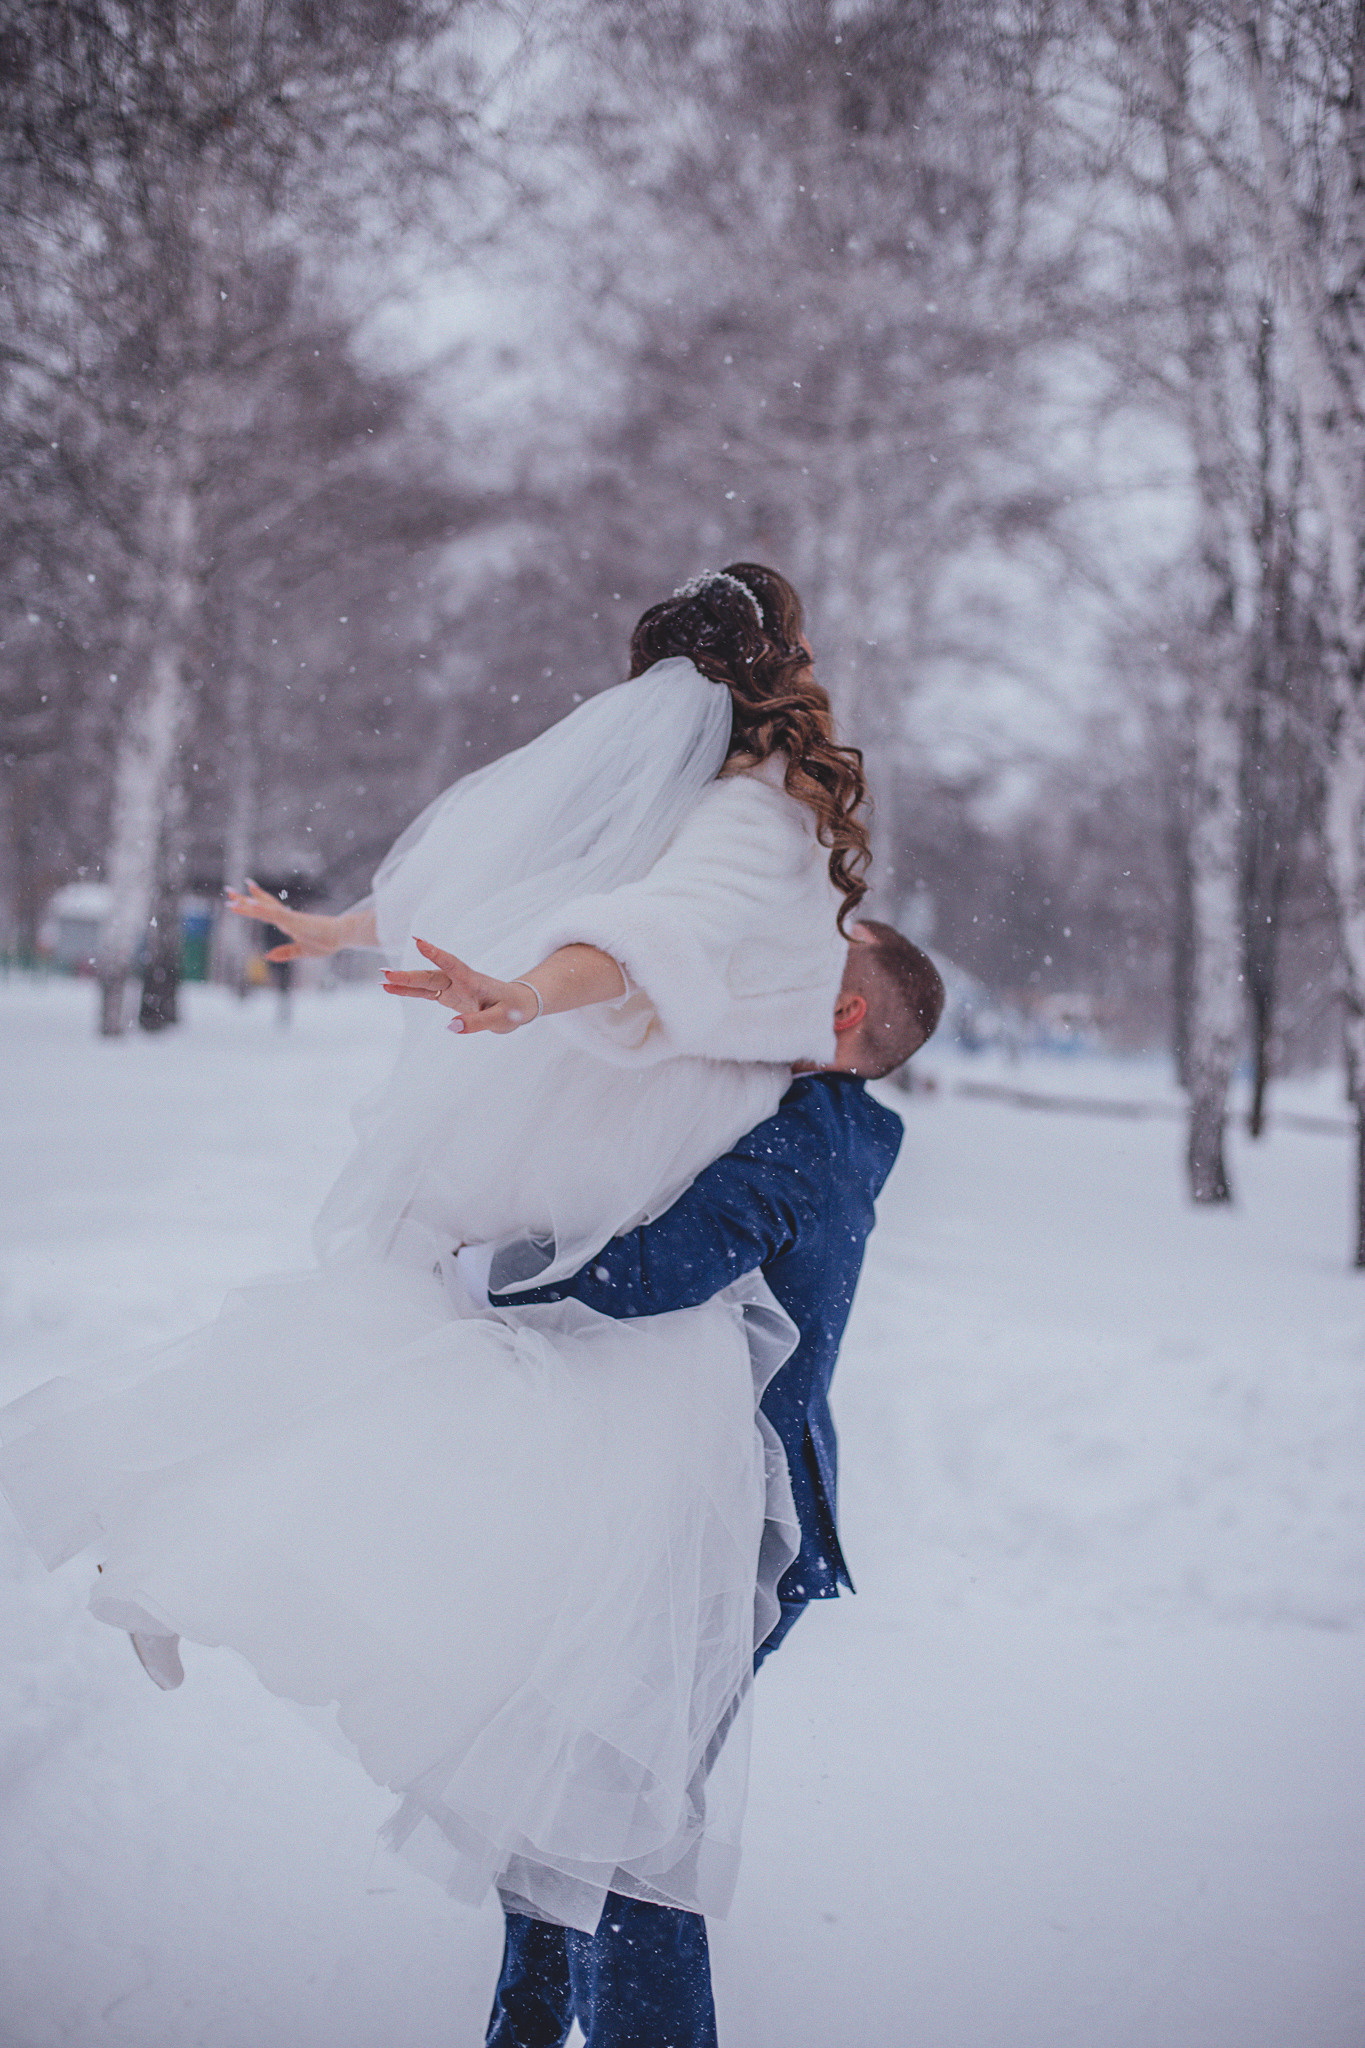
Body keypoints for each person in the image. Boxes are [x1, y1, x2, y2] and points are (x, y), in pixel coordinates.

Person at [0, 565, 873, 1943]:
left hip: (586, 1161)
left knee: (442, 1409)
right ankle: (211, 1569)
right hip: (641, 1188)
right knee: (562, 1547)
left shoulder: (699, 813)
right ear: (786, 664)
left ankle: (184, 1548)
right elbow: (645, 935)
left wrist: (358, 936)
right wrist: (522, 987)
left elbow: (509, 897)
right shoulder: (754, 820)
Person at [478, 920, 945, 2048]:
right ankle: (528, 2029)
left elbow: (649, 1273)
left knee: (624, 1817)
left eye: (808, 954)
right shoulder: (800, 1118)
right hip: (677, 1510)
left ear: (839, 1015)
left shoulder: (805, 1138)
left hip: (731, 1528)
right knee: (558, 1786)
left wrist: (477, 1265)